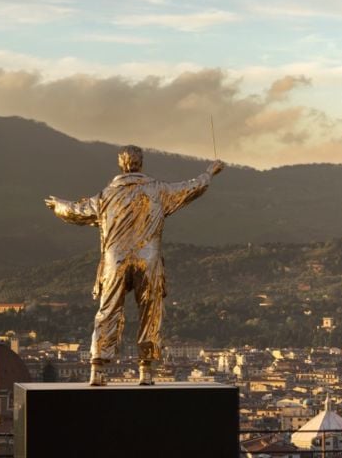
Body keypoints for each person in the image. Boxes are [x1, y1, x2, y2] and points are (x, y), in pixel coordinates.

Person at [45, 145, 224, 385]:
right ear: (140, 163)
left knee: (108, 309)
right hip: (148, 259)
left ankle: (97, 368)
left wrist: (58, 204)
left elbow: (76, 211)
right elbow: (192, 187)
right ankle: (145, 370)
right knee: (150, 311)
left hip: (114, 260)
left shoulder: (105, 196)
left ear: (121, 164)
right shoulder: (159, 190)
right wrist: (209, 172)